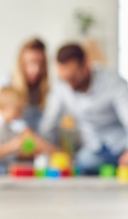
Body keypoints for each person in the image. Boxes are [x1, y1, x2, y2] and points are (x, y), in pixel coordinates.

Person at [40, 43, 128, 174]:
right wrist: (47, 155)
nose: (69, 85)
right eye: (65, 79)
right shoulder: (61, 87)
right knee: (83, 162)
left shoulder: (114, 83)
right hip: (94, 150)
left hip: (121, 145)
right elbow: (49, 124)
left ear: (86, 64)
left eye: (73, 78)